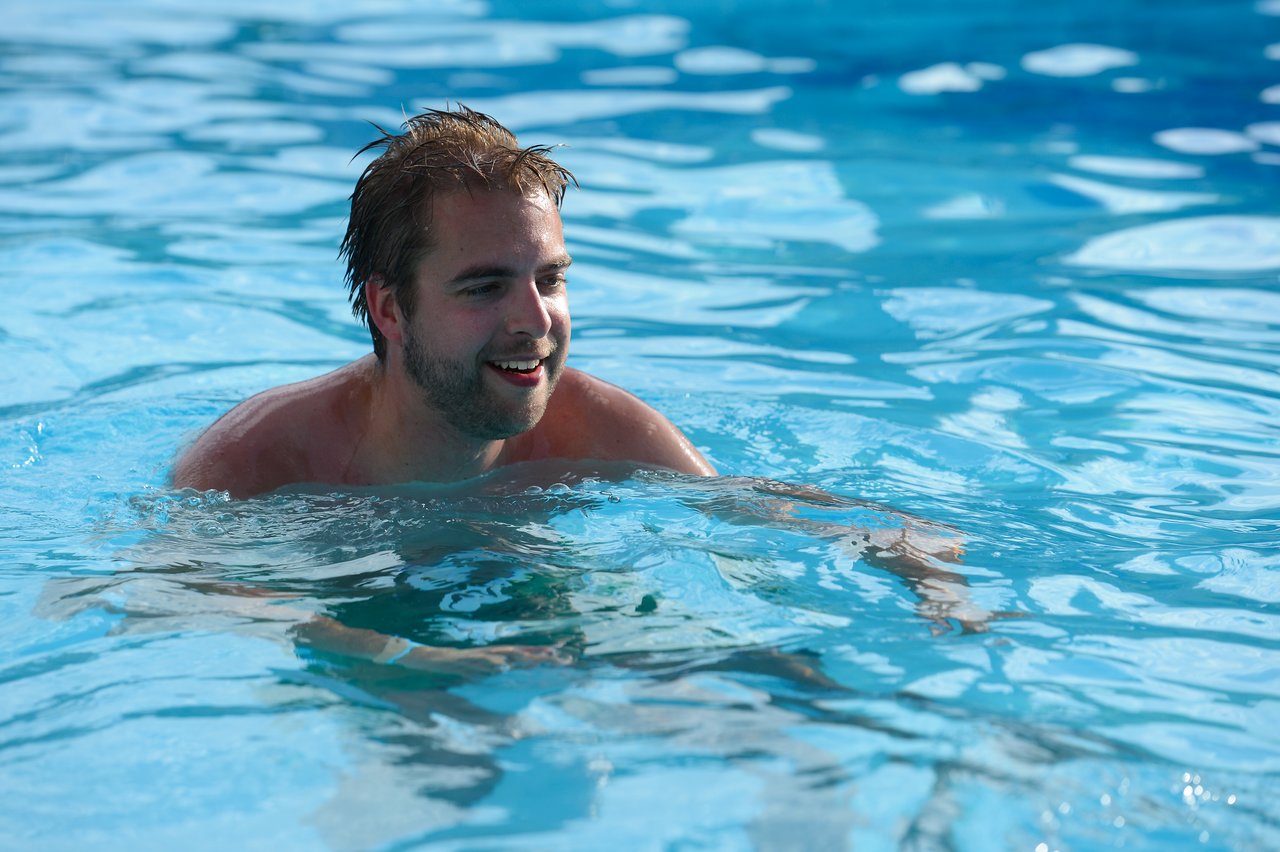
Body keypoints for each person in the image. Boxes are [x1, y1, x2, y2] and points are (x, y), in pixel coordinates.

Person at [172, 106, 715, 499]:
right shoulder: (256, 467)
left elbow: (761, 520)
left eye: (549, 280)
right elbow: (179, 599)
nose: (534, 321)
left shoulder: (599, 432)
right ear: (390, 311)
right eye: (484, 287)